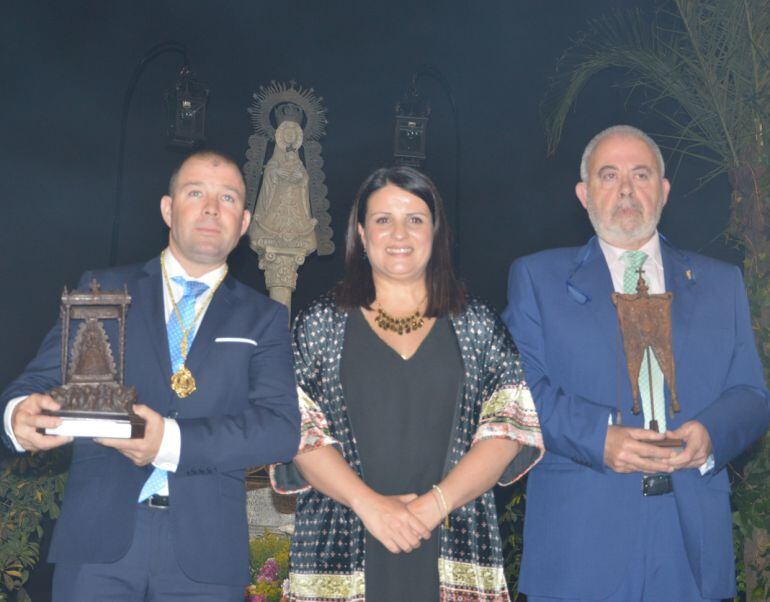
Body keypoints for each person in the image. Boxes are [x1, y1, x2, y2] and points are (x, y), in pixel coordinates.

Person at [1, 150, 301, 601]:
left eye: (228, 198)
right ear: (168, 208)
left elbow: (279, 430)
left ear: (244, 222)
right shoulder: (102, 290)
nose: (211, 208)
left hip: (206, 553)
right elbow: (32, 385)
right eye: (195, 192)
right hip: (98, 542)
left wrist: (170, 442)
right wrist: (16, 417)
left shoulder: (265, 319)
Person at [503, 125, 770, 601]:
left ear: (663, 191)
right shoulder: (537, 278)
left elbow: (751, 395)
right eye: (609, 175)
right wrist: (598, 439)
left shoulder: (721, 283)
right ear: (584, 194)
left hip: (691, 547)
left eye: (641, 174)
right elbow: (522, 394)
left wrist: (710, 434)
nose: (626, 189)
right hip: (581, 542)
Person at [271, 165, 543, 601]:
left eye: (415, 219)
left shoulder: (476, 324)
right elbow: (298, 432)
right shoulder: (319, 324)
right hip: (343, 531)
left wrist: (433, 505)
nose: (399, 233)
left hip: (453, 531)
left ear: (436, 231)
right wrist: (370, 505)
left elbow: (507, 429)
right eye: (383, 220)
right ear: (361, 234)